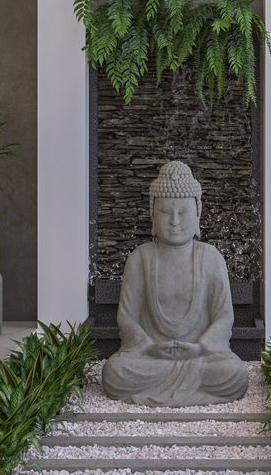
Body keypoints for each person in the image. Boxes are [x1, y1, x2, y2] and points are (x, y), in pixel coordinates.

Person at [101, 161, 249, 406]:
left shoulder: (211, 257)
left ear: (198, 212)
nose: (174, 221)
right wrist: (148, 346)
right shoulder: (140, 257)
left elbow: (224, 318)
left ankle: (176, 392)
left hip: (200, 357)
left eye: (183, 211)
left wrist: (201, 347)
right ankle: (195, 395)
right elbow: (127, 318)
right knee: (115, 372)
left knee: (235, 374)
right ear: (152, 212)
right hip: (151, 356)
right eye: (165, 212)